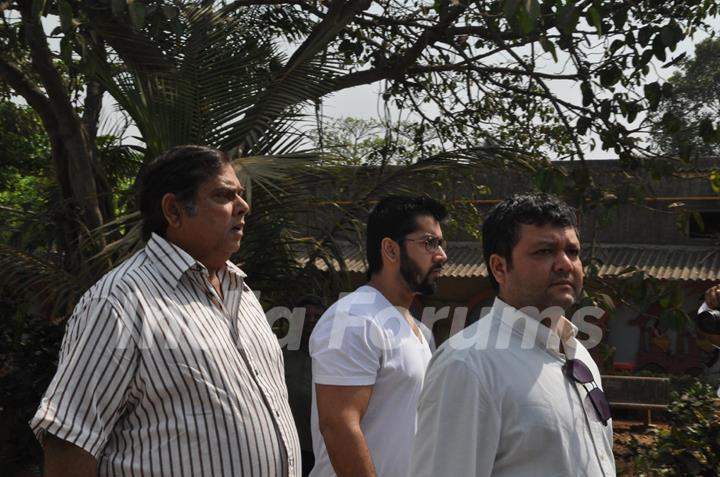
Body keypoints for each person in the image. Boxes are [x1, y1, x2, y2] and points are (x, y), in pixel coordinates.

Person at [31, 145, 301, 476]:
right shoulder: (120, 302)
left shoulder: (241, 292)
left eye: (240, 195)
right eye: (223, 196)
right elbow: (69, 440)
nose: (243, 207)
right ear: (173, 210)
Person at [411, 193, 615, 477]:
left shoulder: (578, 354)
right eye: (544, 251)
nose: (565, 264)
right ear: (499, 267)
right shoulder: (468, 365)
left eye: (572, 251)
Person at [309, 195, 448, 477]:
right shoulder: (354, 319)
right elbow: (339, 426)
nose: (442, 255)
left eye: (441, 244)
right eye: (429, 243)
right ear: (391, 250)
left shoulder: (421, 332)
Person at [283, 295, 326, 476]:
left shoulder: (332, 356)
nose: (311, 321)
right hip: (287, 446)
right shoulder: (281, 356)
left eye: (316, 317)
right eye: (306, 316)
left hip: (320, 449)